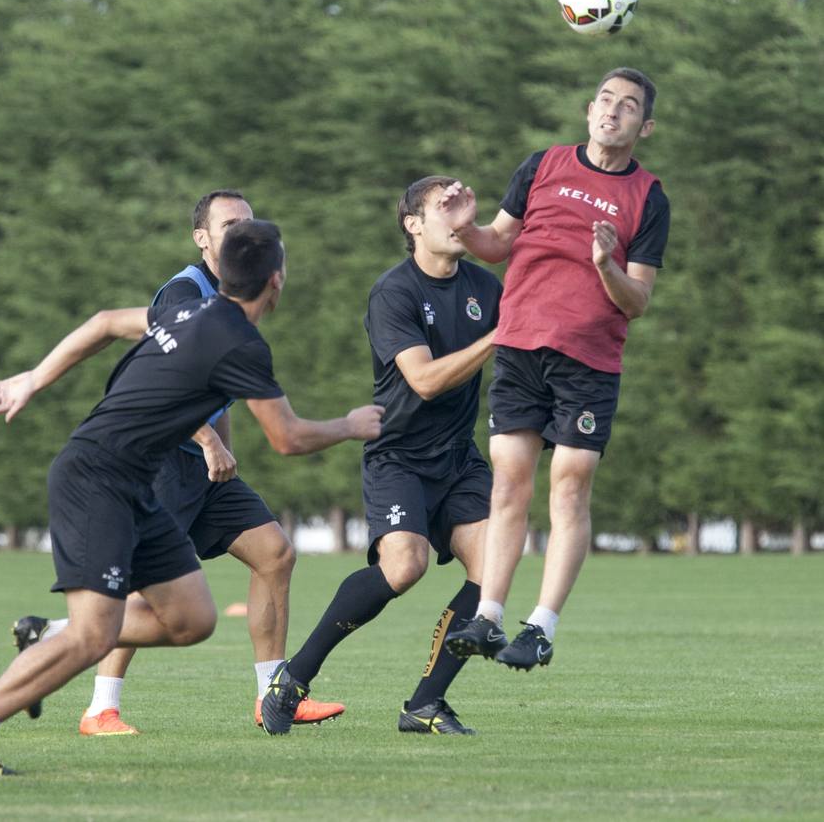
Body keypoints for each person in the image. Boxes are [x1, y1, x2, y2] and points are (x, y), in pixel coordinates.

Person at [0, 220, 382, 775]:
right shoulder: (241, 342)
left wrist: (34, 378)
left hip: (132, 485)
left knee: (192, 619)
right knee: (94, 632)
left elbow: (103, 323)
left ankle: (47, 637)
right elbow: (287, 437)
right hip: (96, 479)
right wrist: (350, 424)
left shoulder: (191, 311)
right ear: (277, 280)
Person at [12, 190, 343, 737]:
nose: (242, 230)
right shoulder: (184, 291)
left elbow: (217, 391)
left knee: (275, 555)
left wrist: (223, 448)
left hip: (206, 470)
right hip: (163, 464)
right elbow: (162, 378)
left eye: (248, 222)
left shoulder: (236, 297)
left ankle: (272, 696)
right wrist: (209, 441)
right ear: (202, 238)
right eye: (229, 223)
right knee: (144, 592)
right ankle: (98, 703)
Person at [444, 68, 670, 670]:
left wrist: (605, 265)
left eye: (628, 107)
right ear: (588, 109)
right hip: (521, 346)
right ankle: (488, 616)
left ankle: (540, 626)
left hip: (590, 360)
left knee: (568, 485)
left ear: (644, 126)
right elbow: (496, 244)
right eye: (605, 100)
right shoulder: (542, 165)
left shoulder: (648, 197)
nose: (612, 111)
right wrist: (465, 227)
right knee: (509, 482)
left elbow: (639, 301)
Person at [260, 177, 502, 736]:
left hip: (458, 458)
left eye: (464, 208)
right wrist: (499, 337)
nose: (457, 216)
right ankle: (293, 678)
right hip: (399, 455)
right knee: (404, 566)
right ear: (412, 224)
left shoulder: (486, 288)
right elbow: (422, 380)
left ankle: (424, 705)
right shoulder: (393, 291)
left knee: (494, 575)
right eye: (444, 207)